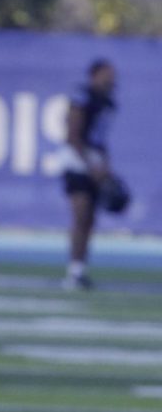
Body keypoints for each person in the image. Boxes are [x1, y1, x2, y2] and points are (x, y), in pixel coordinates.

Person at [60, 58, 119, 289]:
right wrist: (90, 164)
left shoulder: (108, 102)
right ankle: (73, 270)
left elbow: (101, 140)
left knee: (90, 219)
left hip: (94, 159)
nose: (111, 79)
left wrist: (105, 165)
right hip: (77, 161)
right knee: (81, 214)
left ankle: (79, 269)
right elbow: (72, 135)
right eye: (106, 74)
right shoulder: (83, 97)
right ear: (94, 75)